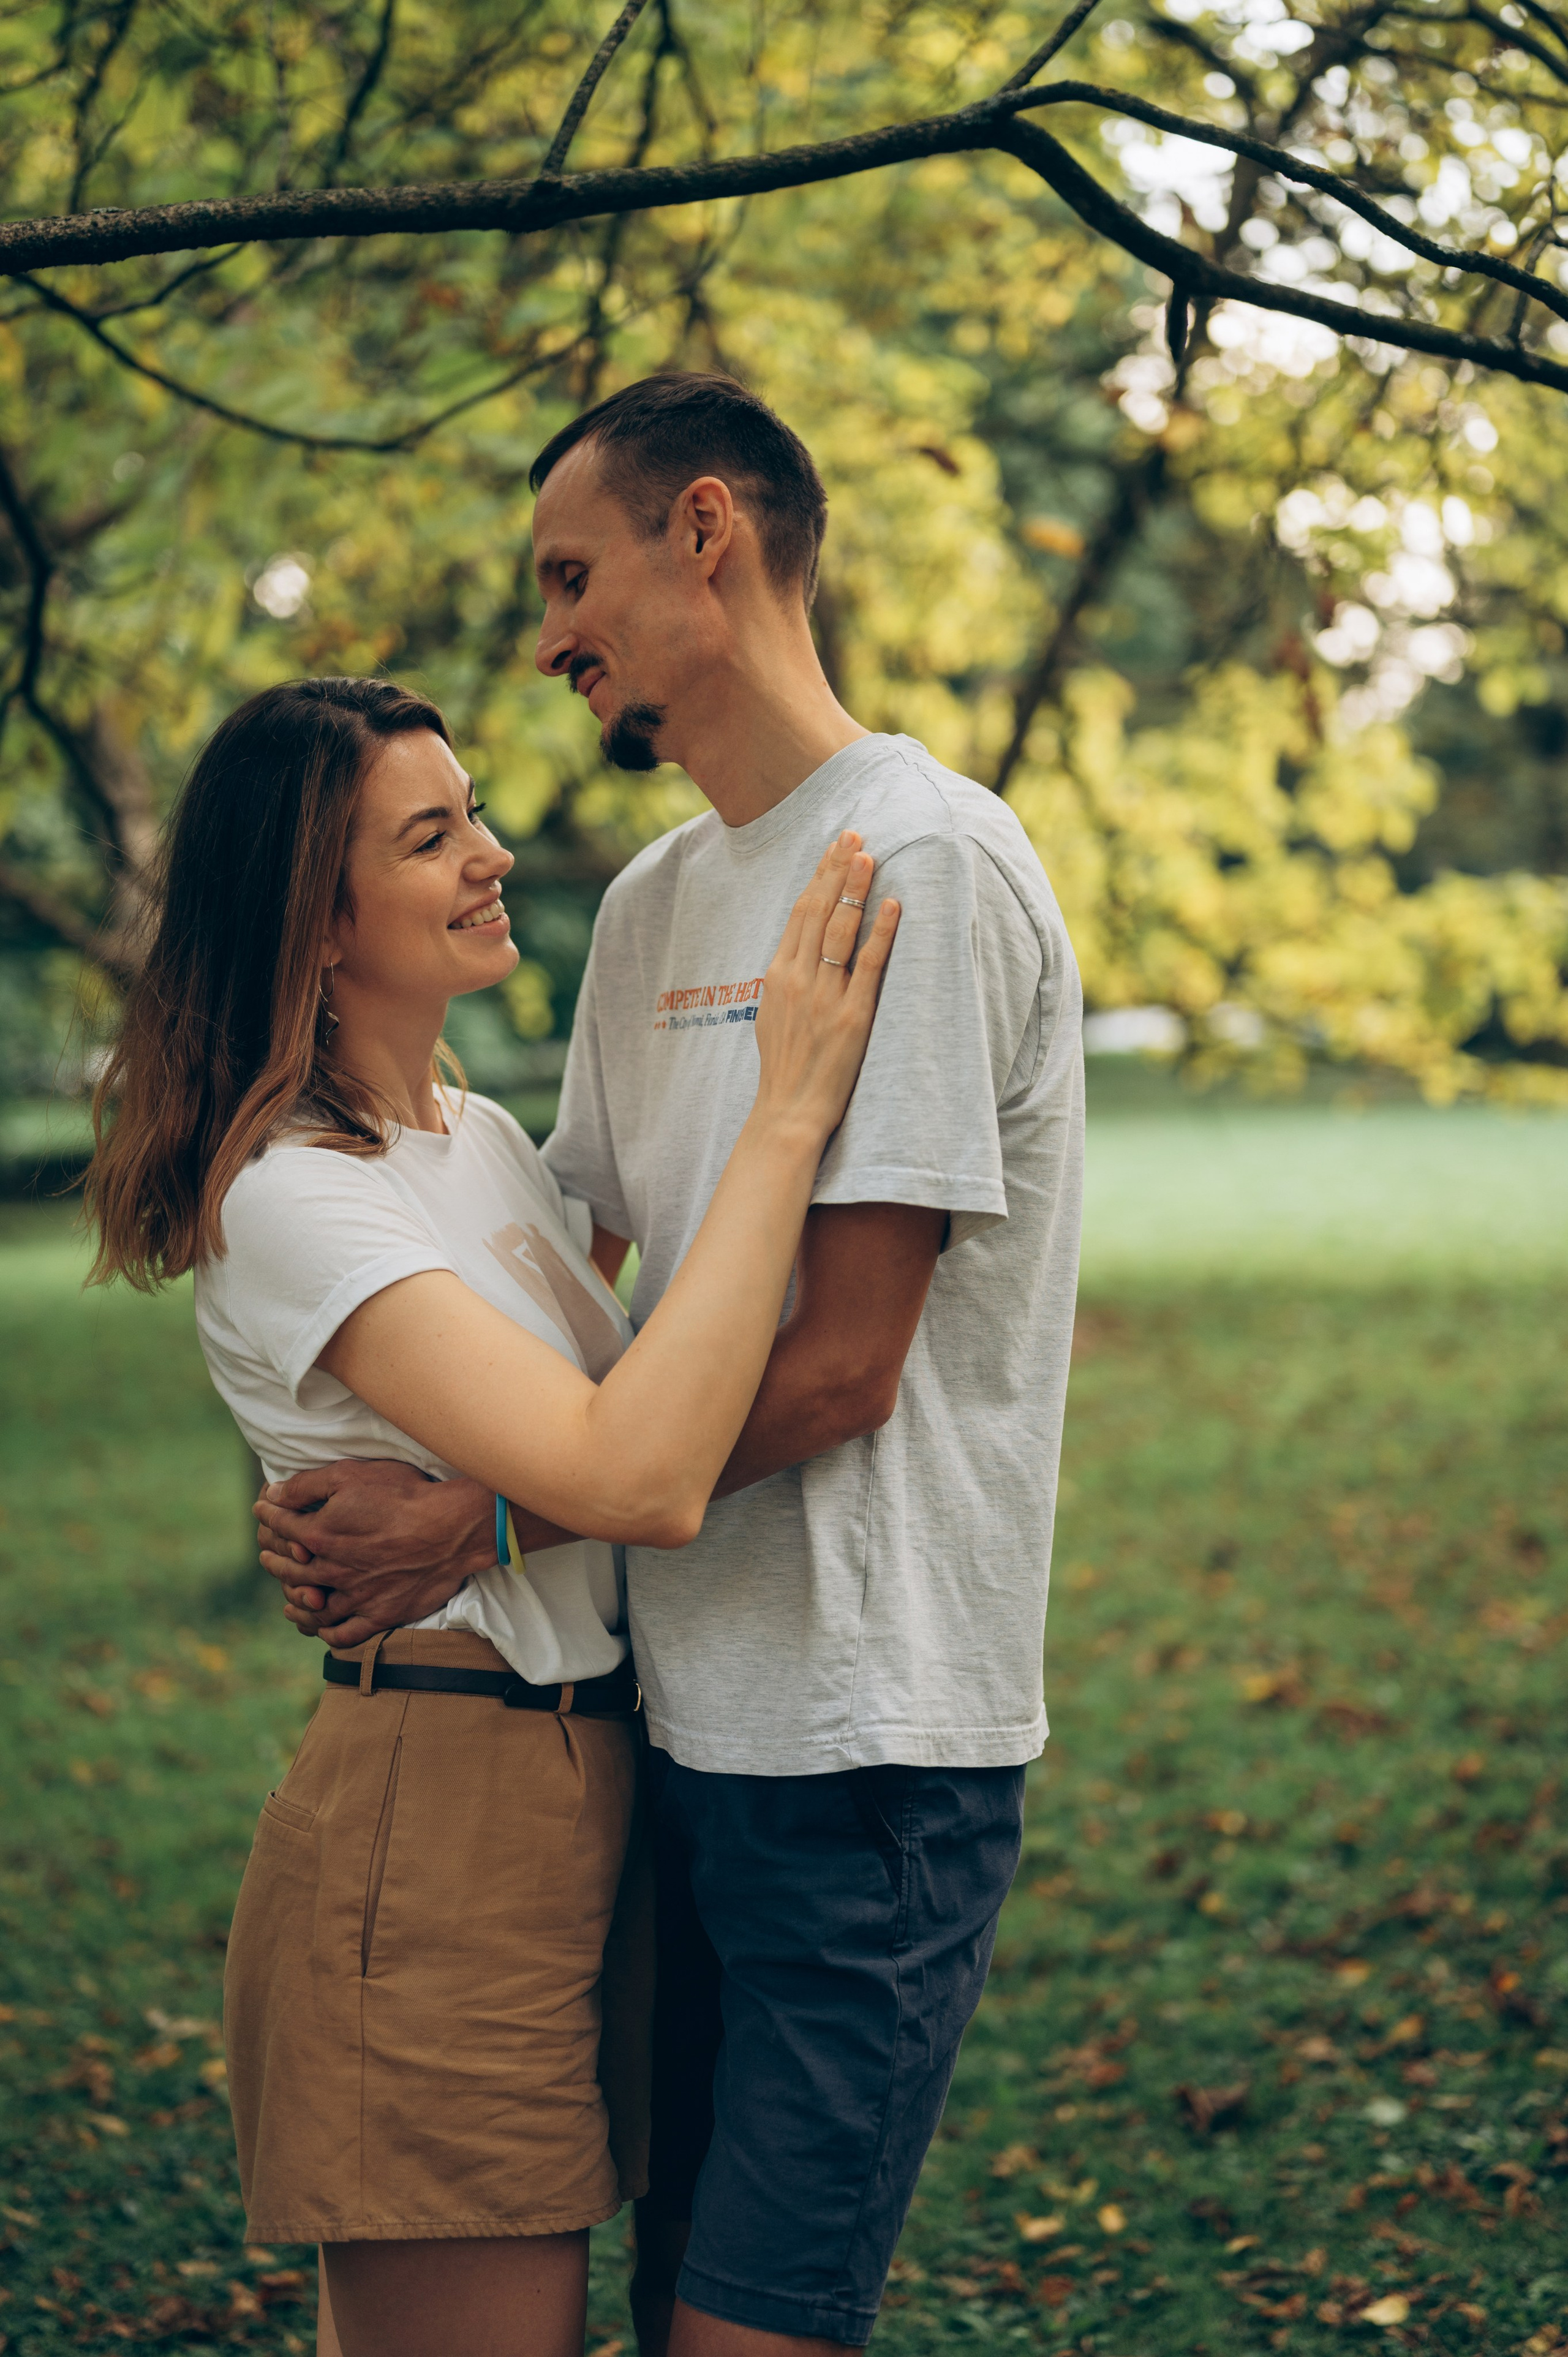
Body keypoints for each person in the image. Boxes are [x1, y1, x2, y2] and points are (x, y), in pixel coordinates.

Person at [261, 372, 1085, 2355]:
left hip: (868, 1743)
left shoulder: (925, 864)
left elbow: (842, 1367)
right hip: (658, 1735)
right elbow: (574, 1271)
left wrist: (475, 1520)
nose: (553, 640)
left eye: (573, 576)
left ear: (704, 533)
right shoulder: (645, 910)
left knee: (751, 2329)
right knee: (663, 2309)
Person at [83, 671, 900, 2357]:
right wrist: (793, 1106)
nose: (497, 854)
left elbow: (578, 1458)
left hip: (585, 1797)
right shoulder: (295, 1197)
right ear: (318, 917)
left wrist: (480, 1518)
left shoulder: (473, 1142)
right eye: (434, 834)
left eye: (475, 816)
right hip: (439, 1827)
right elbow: (638, 1474)